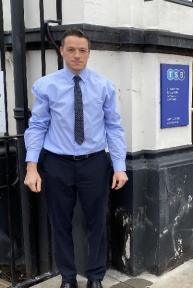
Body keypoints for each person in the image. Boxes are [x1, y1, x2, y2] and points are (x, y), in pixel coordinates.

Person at [23, 29, 128, 288]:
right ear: (61, 51)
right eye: (71, 49)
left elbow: (114, 127)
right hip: (57, 164)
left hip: (94, 163)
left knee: (97, 223)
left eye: (82, 50)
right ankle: (68, 278)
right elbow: (37, 126)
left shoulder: (104, 86)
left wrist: (119, 167)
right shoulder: (47, 85)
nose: (77, 55)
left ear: (89, 53)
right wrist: (31, 167)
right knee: (60, 223)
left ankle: (95, 278)